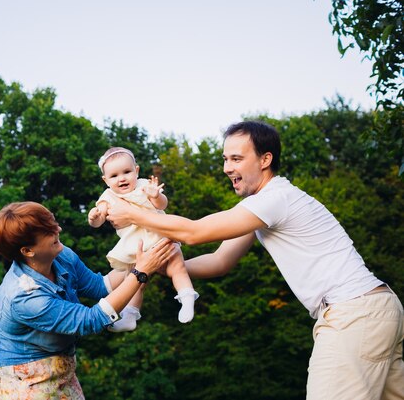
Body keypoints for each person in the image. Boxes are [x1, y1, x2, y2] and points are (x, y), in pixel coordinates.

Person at [106, 121, 404, 400]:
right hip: (375, 309)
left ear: (265, 160)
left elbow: (194, 232)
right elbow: (220, 260)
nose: (227, 168)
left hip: (354, 313)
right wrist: (161, 268)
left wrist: (132, 213)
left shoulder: (274, 199)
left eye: (236, 159)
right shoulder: (262, 208)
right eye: (225, 159)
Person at [0, 201, 176, 400]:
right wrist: (141, 272)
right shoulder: (24, 296)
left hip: (63, 367)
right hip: (27, 379)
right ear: (27, 251)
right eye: (49, 231)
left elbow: (100, 287)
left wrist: (138, 260)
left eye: (53, 224)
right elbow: (90, 320)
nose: (58, 229)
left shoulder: (61, 256)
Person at [88, 147, 198, 331]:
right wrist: (93, 218)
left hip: (160, 236)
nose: (122, 178)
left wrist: (156, 196)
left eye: (127, 172)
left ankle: (187, 296)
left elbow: (162, 204)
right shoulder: (107, 197)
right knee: (135, 281)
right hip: (135, 246)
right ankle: (130, 316)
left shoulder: (145, 186)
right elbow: (99, 219)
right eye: (114, 176)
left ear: (136, 171)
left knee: (177, 267)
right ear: (105, 180)